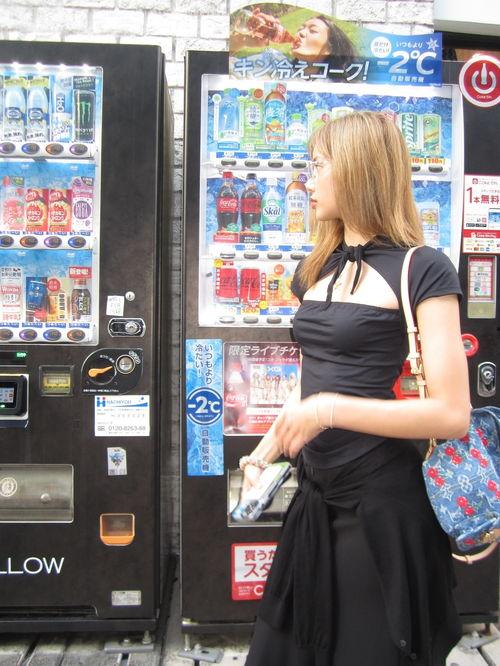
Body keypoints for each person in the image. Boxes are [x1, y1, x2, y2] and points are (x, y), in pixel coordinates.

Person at [241, 111, 470, 666]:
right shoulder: (314, 269)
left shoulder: (423, 269)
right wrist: (263, 454)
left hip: (382, 508)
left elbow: (452, 413)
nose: (307, 181)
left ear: (359, 170)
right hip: (314, 500)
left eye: (319, 166)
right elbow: (311, 379)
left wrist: (329, 410)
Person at [232, 9, 357, 80]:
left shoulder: (333, 88)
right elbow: (226, 69)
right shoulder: (272, 62)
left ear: (329, 49)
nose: (301, 33)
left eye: (313, 31)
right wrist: (241, 41)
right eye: (301, 28)